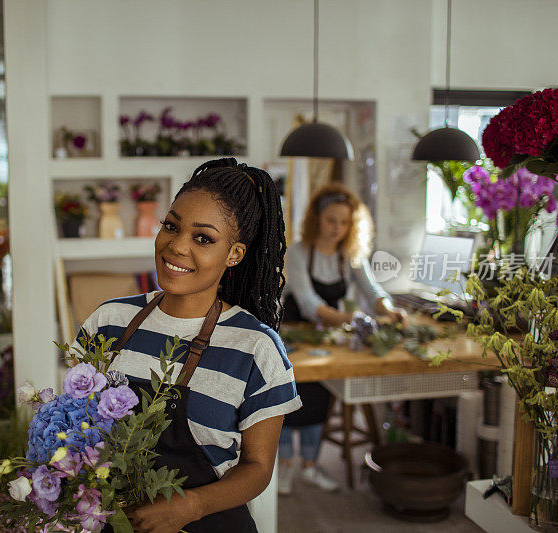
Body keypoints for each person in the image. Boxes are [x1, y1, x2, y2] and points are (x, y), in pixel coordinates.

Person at [71, 158, 302, 533]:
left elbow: (258, 470)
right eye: (171, 226)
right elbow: (78, 426)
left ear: (234, 254)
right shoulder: (107, 321)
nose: (176, 246)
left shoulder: (256, 348)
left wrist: (190, 506)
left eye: (203, 238)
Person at [277, 183, 408, 495]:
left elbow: (373, 291)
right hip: (289, 341)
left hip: (322, 343)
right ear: (316, 219)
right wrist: (353, 319)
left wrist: (389, 310)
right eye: (331, 220)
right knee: (283, 402)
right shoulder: (297, 252)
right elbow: (309, 304)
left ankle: (309, 465)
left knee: (318, 401)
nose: (337, 228)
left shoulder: (349, 255)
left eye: (344, 222)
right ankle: (282, 466)